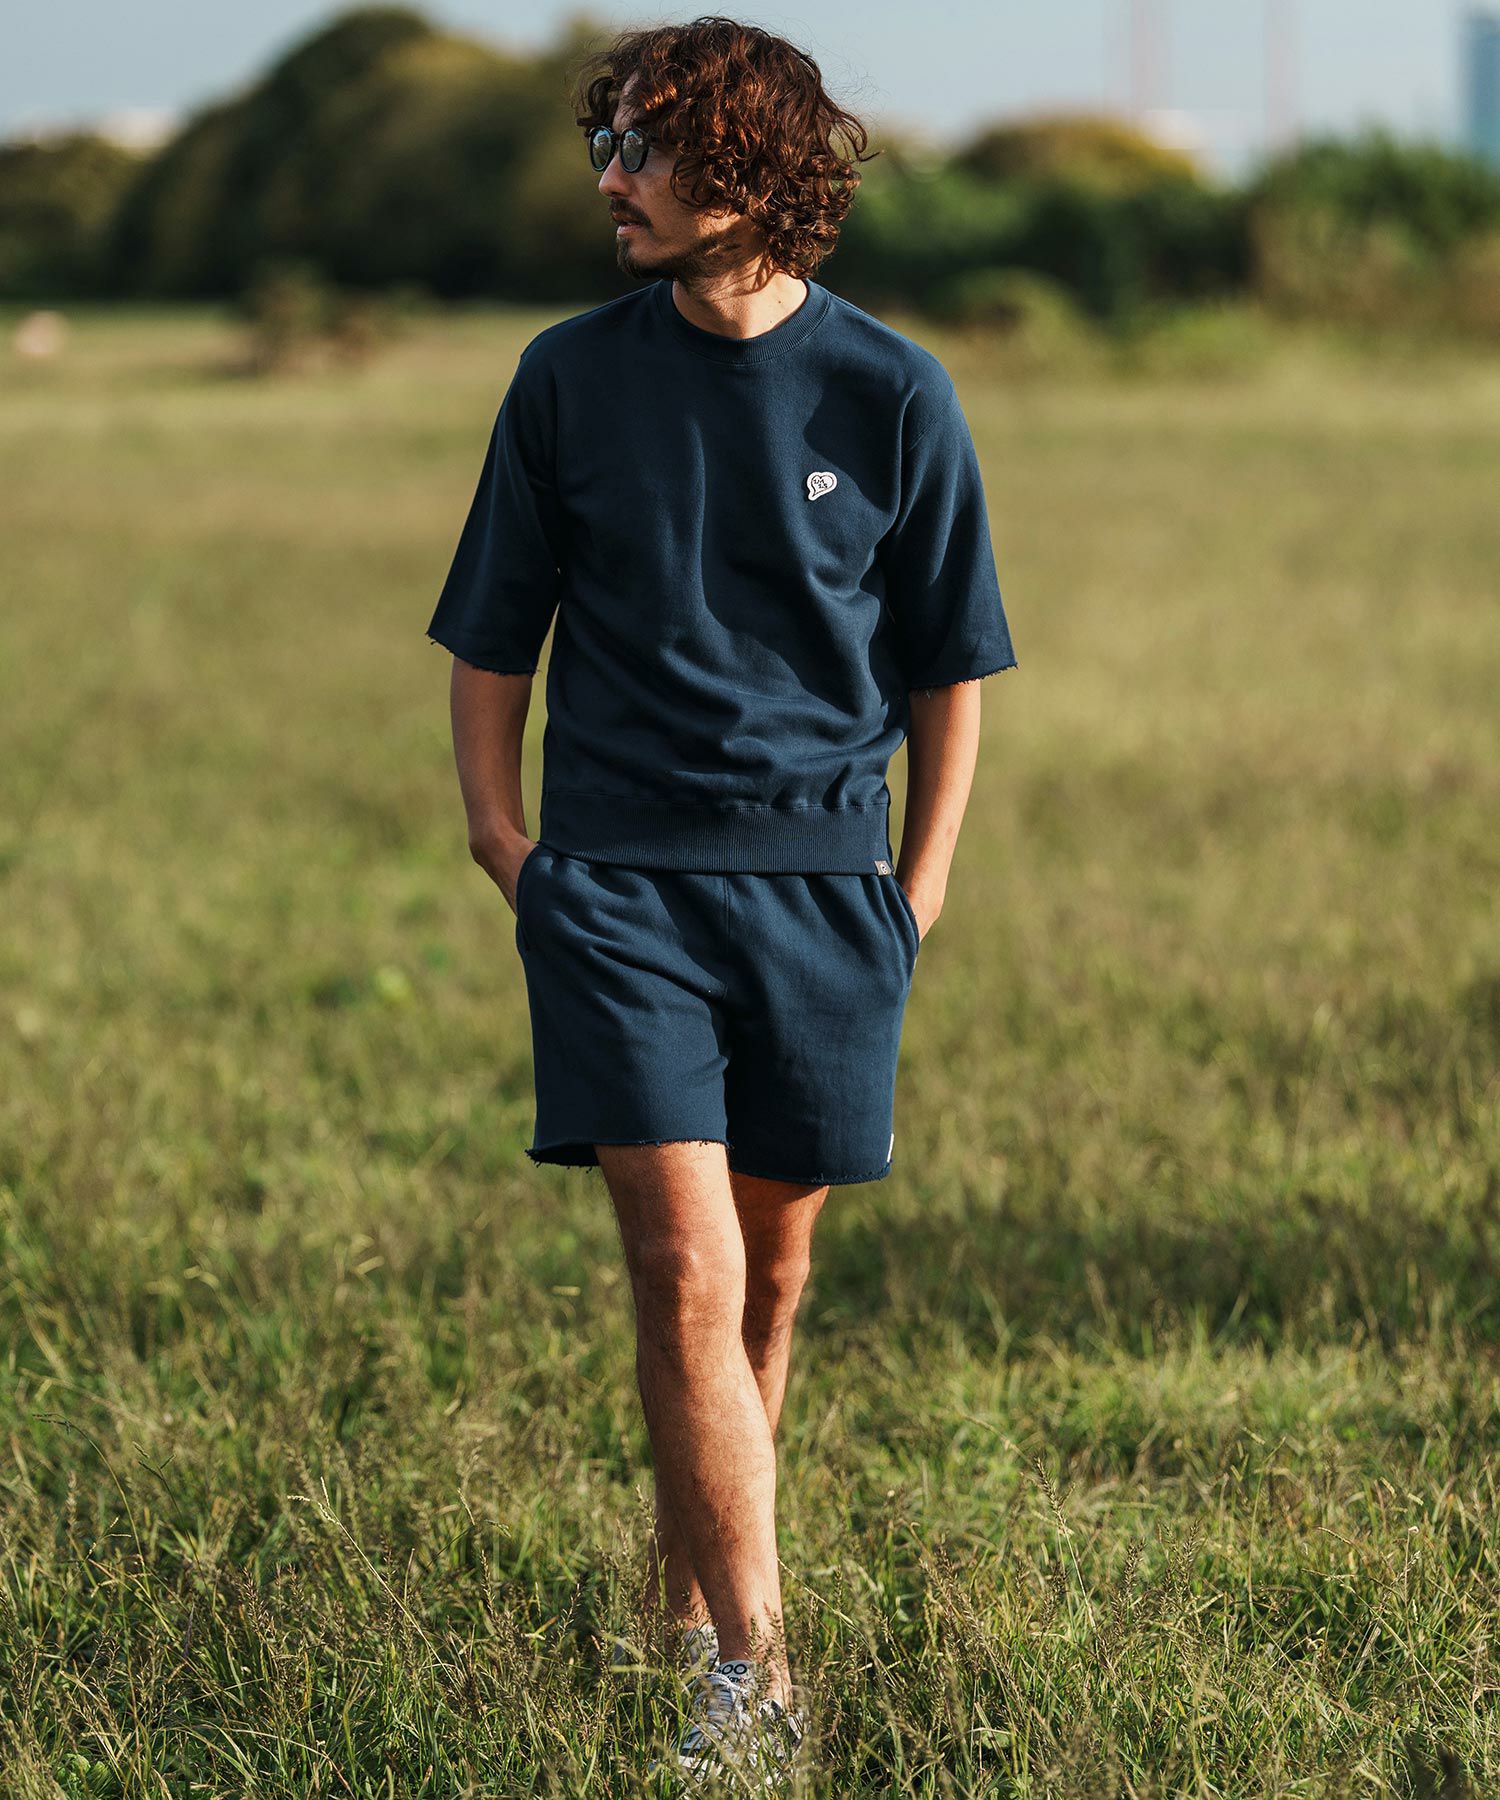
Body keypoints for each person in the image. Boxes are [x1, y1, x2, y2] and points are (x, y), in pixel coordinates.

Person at [426, 16, 1016, 1786]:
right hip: (618, 891)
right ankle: (757, 1685)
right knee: (683, 1264)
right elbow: (492, 639)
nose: (612, 177)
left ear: (754, 171)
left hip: (827, 895)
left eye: (648, 147)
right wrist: (508, 846)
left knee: (769, 1282)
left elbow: (950, 670)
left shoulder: (894, 392)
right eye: (606, 141)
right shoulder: (564, 378)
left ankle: (690, 1604)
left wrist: (916, 893)